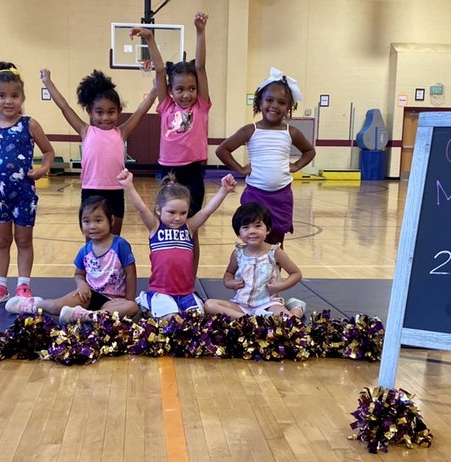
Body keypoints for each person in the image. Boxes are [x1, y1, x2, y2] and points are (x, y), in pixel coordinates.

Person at [130, 11, 211, 274]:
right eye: (180, 89)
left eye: (191, 88)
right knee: (165, 226)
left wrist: (200, 31)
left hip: (192, 171)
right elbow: (161, 70)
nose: (186, 94)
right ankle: (164, 275)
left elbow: (200, 67)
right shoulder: (165, 106)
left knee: (191, 228)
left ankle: (189, 277)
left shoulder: (201, 107)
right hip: (168, 171)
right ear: (171, 90)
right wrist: (150, 39)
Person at [0, 61, 55, 306]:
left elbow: (48, 151)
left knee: (23, 240)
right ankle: (0, 285)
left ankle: (23, 285)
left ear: (22, 98)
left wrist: (42, 169)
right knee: (1, 241)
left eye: (14, 96)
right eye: (2, 96)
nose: (8, 101)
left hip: (24, 194)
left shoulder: (29, 124)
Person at [40, 68, 155, 236]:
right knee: (92, 242)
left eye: (111, 112)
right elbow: (64, 106)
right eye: (99, 112)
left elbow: (140, 111)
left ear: (119, 111)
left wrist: (155, 90)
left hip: (116, 191)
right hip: (91, 191)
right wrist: (48, 82)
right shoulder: (85, 131)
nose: (105, 117)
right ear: (89, 112)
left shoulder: (121, 132)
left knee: (114, 242)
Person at [117, 168, 237, 321]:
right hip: (162, 291)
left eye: (183, 213)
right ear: (159, 210)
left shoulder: (189, 227)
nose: (178, 218)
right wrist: (128, 186)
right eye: (172, 212)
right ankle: (147, 302)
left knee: (195, 320)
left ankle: (164, 307)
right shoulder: (155, 227)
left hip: (186, 292)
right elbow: (141, 208)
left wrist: (224, 190)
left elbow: (207, 211)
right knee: (172, 320)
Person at [215, 67, 316, 246]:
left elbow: (309, 151)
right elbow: (222, 150)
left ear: (289, 107)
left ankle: (274, 274)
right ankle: (252, 273)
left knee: (277, 243)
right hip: (255, 194)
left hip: (282, 196)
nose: (275, 106)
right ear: (259, 102)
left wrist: (295, 166)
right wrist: (240, 169)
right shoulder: (250, 130)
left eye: (282, 102)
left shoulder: (290, 132)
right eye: (269, 100)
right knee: (254, 241)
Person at [5, 195, 139, 322]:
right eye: (86, 221)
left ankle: (85, 315)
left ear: (111, 220)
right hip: (89, 295)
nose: (92, 226)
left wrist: (128, 299)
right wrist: (82, 285)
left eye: (98, 220)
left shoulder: (120, 245)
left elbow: (130, 273)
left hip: (113, 302)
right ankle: (32, 305)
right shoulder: (85, 251)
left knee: (131, 307)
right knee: (56, 306)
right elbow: (79, 275)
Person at [204, 202, 307, 319]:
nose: (252, 231)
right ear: (239, 233)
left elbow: (296, 274)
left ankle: (297, 308)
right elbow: (229, 273)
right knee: (209, 305)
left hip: (268, 304)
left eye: (258, 226)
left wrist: (280, 286)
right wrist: (229, 283)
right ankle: (248, 319)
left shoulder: (274, 252)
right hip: (241, 305)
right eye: (246, 227)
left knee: (289, 322)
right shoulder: (238, 254)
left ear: (268, 229)